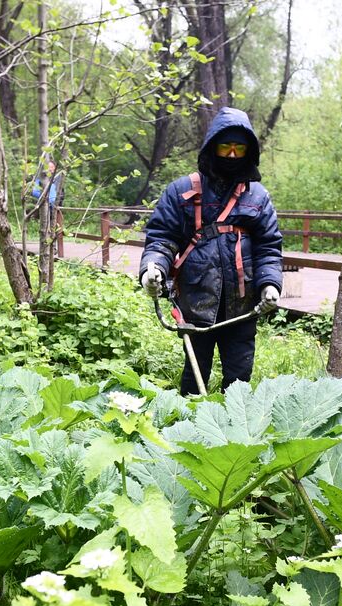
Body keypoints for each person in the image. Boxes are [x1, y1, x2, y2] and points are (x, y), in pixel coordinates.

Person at [139, 108, 284, 395]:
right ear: (212, 146)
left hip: (242, 306)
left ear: (248, 151)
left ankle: (235, 433)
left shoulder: (257, 196)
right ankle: (187, 433)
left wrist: (270, 284)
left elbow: (268, 247)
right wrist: (152, 267)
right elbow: (162, 238)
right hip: (195, 300)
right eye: (225, 146)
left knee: (239, 379)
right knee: (194, 379)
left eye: (239, 147)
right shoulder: (181, 191)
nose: (231, 154)